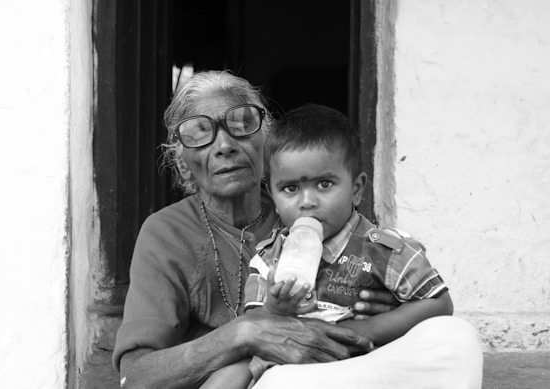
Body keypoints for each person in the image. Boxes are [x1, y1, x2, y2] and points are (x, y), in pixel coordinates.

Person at [112, 70, 483, 389]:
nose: (224, 145)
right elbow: (138, 376)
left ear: (267, 141)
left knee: (456, 339)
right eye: (199, 133)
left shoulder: (316, 210)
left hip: (344, 367)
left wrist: (385, 312)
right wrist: (246, 333)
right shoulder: (165, 233)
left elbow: (403, 297)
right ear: (183, 159)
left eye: (241, 123)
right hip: (271, 379)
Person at [206, 103, 455, 388]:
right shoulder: (268, 258)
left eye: (324, 184)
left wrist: (367, 329)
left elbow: (439, 303)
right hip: (291, 368)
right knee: (231, 371)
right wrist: (276, 308)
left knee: (455, 337)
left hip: (366, 364)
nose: (307, 201)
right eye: (290, 189)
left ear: (357, 190)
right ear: (272, 195)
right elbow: (253, 325)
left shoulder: (385, 250)